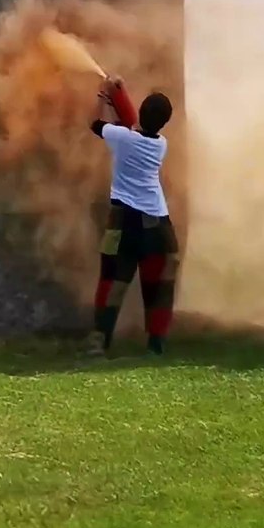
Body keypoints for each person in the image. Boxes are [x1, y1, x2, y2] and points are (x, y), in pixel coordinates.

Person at [88, 77, 179, 356]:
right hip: (157, 225)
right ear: (164, 123)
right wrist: (119, 100)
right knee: (159, 285)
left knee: (112, 281)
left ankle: (99, 342)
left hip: (122, 222)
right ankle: (155, 344)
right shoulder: (160, 144)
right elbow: (133, 129)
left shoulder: (122, 138)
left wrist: (105, 100)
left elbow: (96, 125)